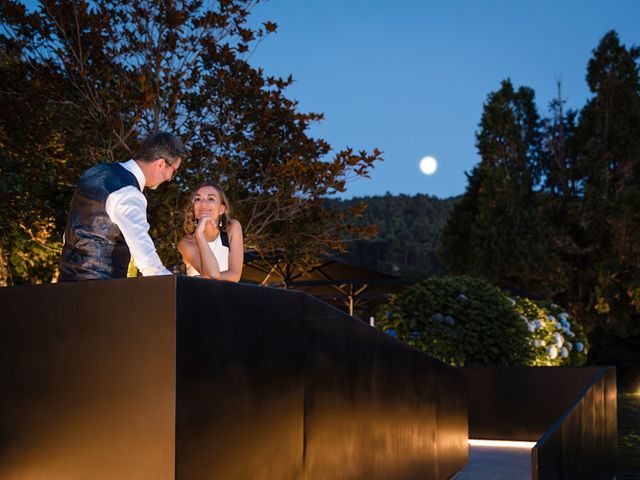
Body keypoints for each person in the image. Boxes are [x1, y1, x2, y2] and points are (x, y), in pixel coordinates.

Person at [59, 132, 186, 281]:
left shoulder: (94, 172)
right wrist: (167, 282)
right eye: (173, 171)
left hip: (66, 281)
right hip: (101, 287)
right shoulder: (128, 193)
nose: (170, 178)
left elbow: (71, 229)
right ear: (160, 164)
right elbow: (144, 254)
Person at [178, 182, 244, 282]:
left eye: (211, 199)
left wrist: (211, 277)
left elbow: (235, 275)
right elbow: (212, 273)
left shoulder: (232, 228)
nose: (203, 203)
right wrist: (199, 234)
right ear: (194, 207)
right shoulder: (186, 243)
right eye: (198, 199)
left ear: (222, 209)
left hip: (226, 296)